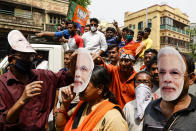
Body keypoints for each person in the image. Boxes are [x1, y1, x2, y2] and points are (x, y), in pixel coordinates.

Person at [0, 30, 75, 131]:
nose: (28, 60)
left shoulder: (43, 76)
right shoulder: (2, 84)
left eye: (30, 56)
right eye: (24, 56)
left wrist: (76, 61)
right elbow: (4, 120)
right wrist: (22, 100)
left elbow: (68, 77)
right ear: (11, 60)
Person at [55, 65, 128, 131]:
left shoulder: (113, 117)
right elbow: (59, 127)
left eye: (84, 84)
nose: (80, 88)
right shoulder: (82, 106)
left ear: (100, 88)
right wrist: (65, 104)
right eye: (79, 83)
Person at [143, 47, 196, 131]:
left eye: (175, 73)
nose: (166, 79)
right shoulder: (151, 108)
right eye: (162, 72)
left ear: (191, 78)